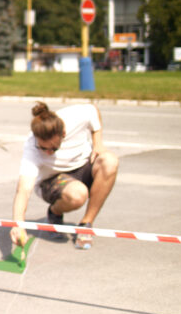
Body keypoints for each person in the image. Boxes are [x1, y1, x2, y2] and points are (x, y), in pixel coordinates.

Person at [10, 102, 119, 250]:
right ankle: (55, 212)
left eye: (53, 148)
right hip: (52, 181)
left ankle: (86, 224)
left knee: (110, 161)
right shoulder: (31, 147)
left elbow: (93, 110)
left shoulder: (76, 116)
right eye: (43, 148)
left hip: (83, 167)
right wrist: (18, 225)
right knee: (78, 194)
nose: (48, 152)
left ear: (63, 134)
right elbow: (23, 189)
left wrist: (97, 143)